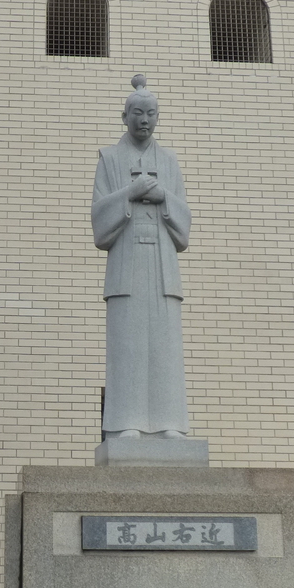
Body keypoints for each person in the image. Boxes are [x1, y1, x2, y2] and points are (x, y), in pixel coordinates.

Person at [92, 74, 191, 437]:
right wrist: (129, 194)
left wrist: (164, 197)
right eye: (137, 112)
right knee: (128, 347)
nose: (144, 120)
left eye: (150, 113)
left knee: (164, 349)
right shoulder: (110, 158)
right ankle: (125, 425)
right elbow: (98, 219)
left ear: (158, 117)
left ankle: (169, 424)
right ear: (125, 116)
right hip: (126, 262)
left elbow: (185, 223)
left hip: (162, 264)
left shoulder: (169, 160)